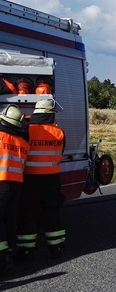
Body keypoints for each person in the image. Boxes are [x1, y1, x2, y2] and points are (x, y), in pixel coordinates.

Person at [16, 98, 66, 261]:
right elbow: (61, 151)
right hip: (51, 179)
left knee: (28, 213)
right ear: (50, 114)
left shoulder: (26, 129)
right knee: (52, 213)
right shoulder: (59, 132)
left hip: (28, 178)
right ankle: (56, 246)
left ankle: (26, 249)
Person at [0, 104, 29, 274]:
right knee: (10, 220)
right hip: (16, 185)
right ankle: (9, 253)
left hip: (1, 183)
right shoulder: (23, 142)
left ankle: (3, 259)